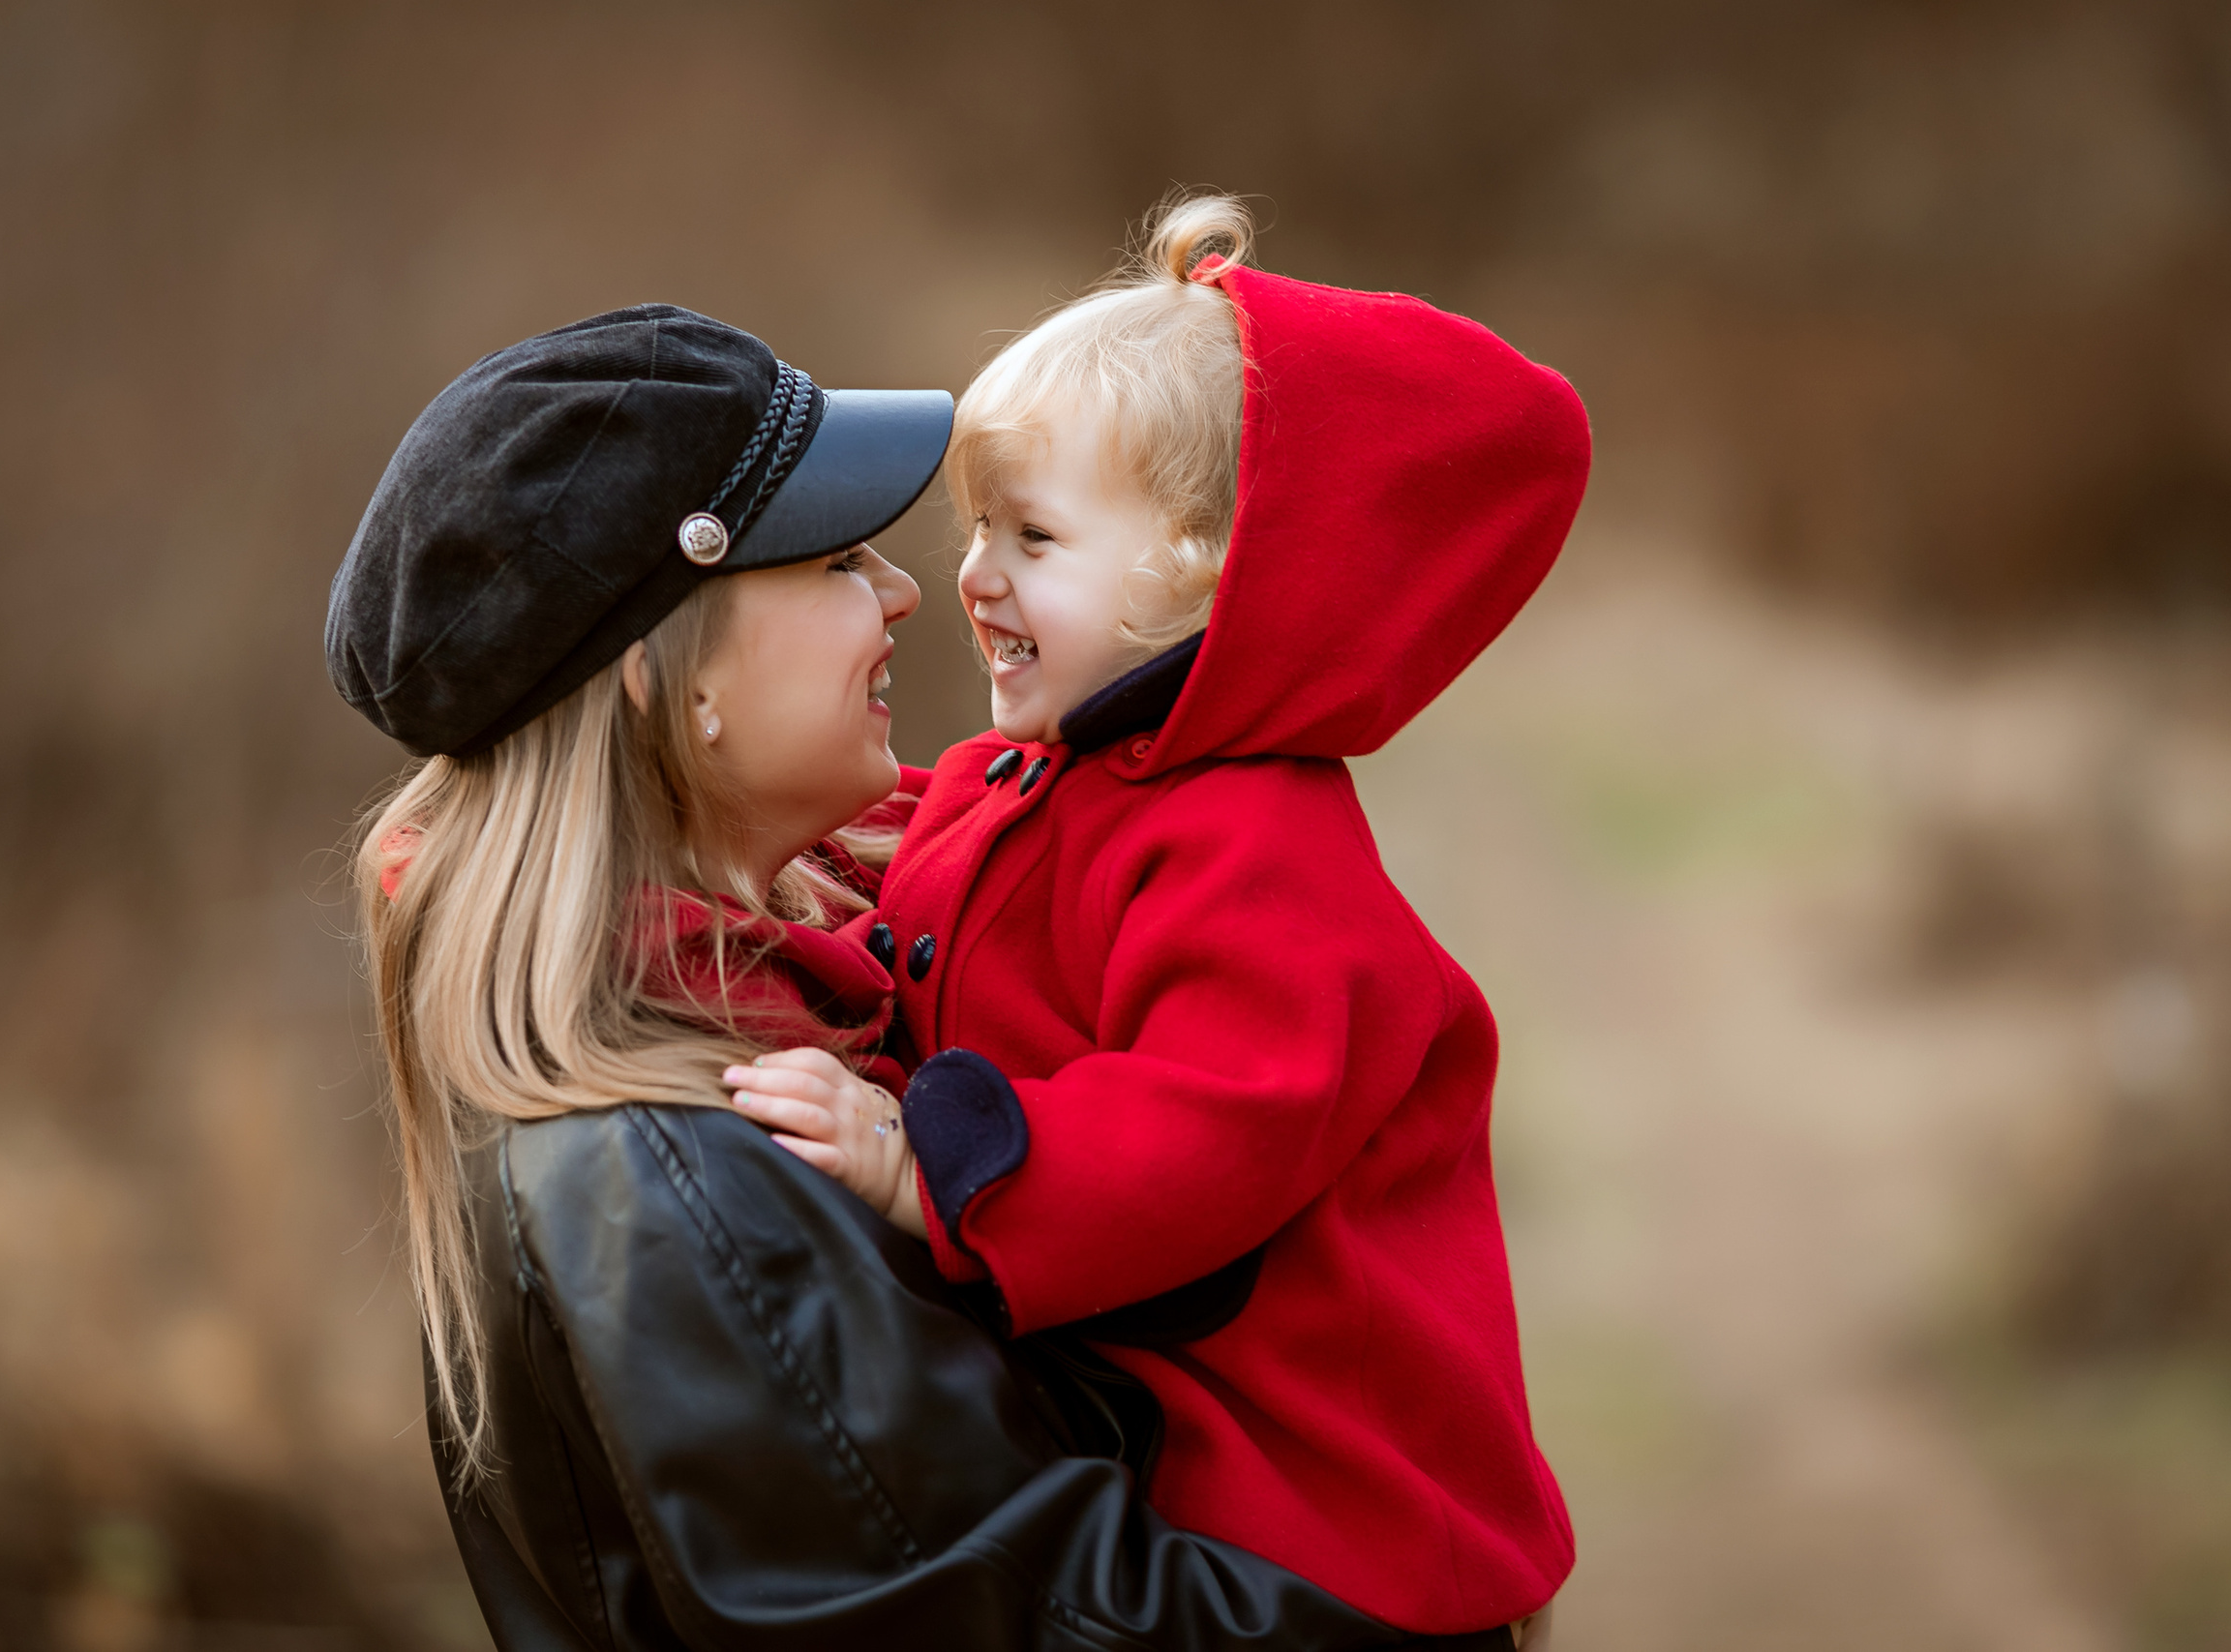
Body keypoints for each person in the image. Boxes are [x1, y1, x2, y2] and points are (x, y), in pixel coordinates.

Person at [324, 305, 1511, 1650]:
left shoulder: (762, 970)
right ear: (668, 681)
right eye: (836, 559)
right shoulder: (684, 1181)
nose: (907, 591)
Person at [726, 196, 1584, 1644]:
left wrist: (917, 1163)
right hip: (1183, 1477)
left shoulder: (1258, 842)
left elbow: (1215, 1125)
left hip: (1331, 1536)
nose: (974, 579)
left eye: (1035, 537)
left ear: (1204, 573)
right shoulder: (1036, 780)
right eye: (976, 529)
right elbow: (918, 893)